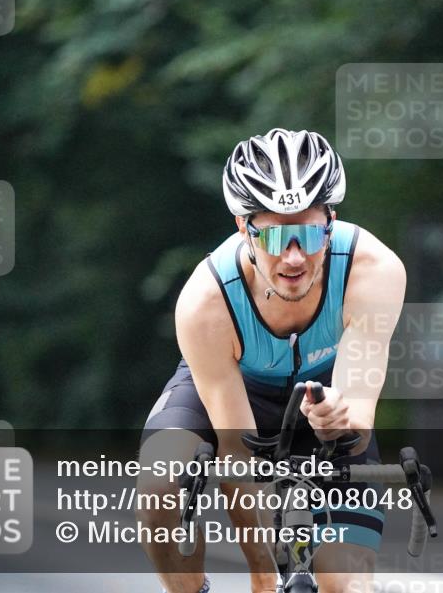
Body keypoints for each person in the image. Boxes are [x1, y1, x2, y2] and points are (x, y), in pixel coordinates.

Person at [137, 128, 406, 593]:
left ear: (330, 221)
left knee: (346, 585)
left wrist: (339, 418)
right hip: (238, 392)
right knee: (160, 481)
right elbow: (237, 457)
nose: (295, 256)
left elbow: (358, 420)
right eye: (277, 236)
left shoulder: (374, 270)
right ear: (244, 228)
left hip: (326, 397)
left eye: (308, 233)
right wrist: (266, 572)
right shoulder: (206, 302)